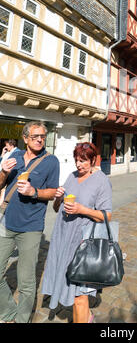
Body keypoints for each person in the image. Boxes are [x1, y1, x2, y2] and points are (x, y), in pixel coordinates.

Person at [42, 142, 112, 324]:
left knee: (79, 295)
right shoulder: (72, 176)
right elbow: (58, 208)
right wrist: (58, 198)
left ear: (93, 160)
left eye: (83, 161)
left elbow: (107, 216)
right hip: (63, 238)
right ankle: (88, 318)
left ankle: (85, 317)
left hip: (82, 244)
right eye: (76, 160)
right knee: (74, 291)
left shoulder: (101, 180)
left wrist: (82, 209)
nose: (79, 165)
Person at [0, 121, 60, 323]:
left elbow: (52, 192)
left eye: (43, 136)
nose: (40, 139)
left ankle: (22, 319)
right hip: (6, 222)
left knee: (26, 281)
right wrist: (4, 172)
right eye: (35, 136)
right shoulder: (15, 156)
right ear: (25, 139)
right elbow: (0, 183)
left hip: (31, 228)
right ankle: (8, 312)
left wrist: (34, 192)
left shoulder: (51, 161)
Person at [0, 140, 21, 207]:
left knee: (3, 189)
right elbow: (1, 161)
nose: (6, 147)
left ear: (11, 145)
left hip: (8, 173)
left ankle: (2, 204)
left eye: (7, 146)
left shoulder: (17, 152)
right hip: (2, 172)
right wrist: (3, 153)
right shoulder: (8, 152)